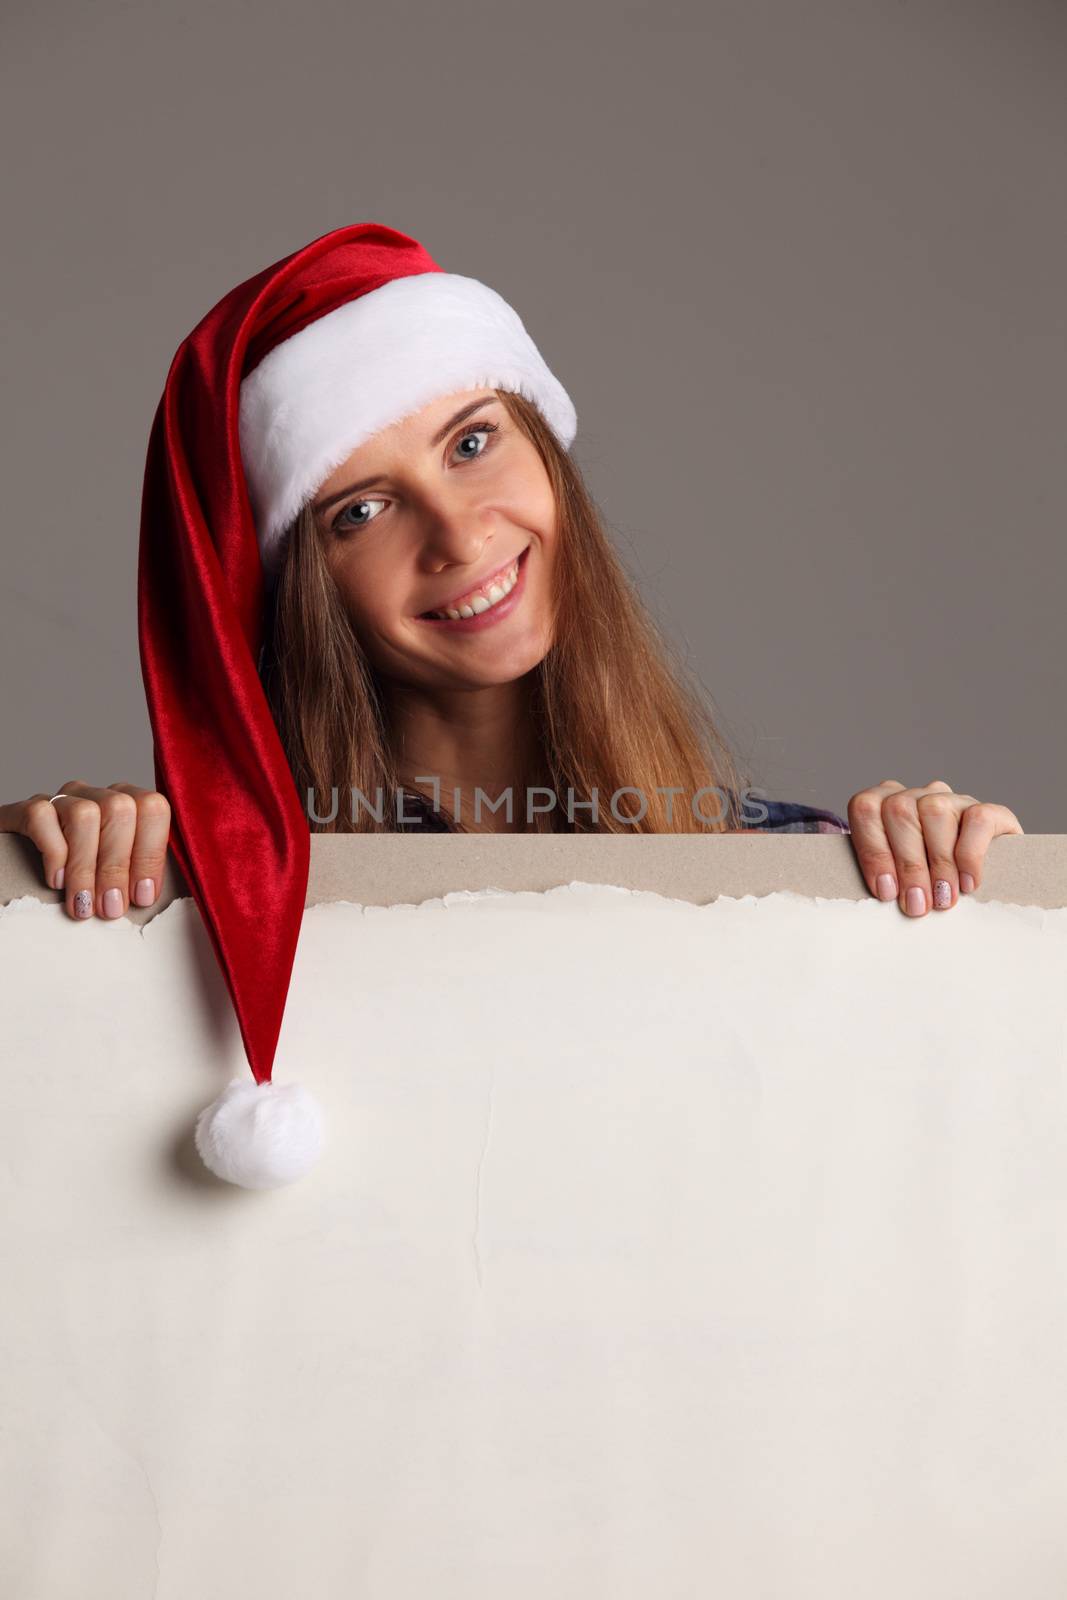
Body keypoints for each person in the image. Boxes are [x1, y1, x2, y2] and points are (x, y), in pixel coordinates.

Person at [0, 222, 1025, 1187]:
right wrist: (33, 882)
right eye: (360, 510)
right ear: (304, 589)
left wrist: (970, 893)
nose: (454, 533)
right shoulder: (209, 921)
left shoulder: (792, 873)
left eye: (472, 443)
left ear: (546, 455)